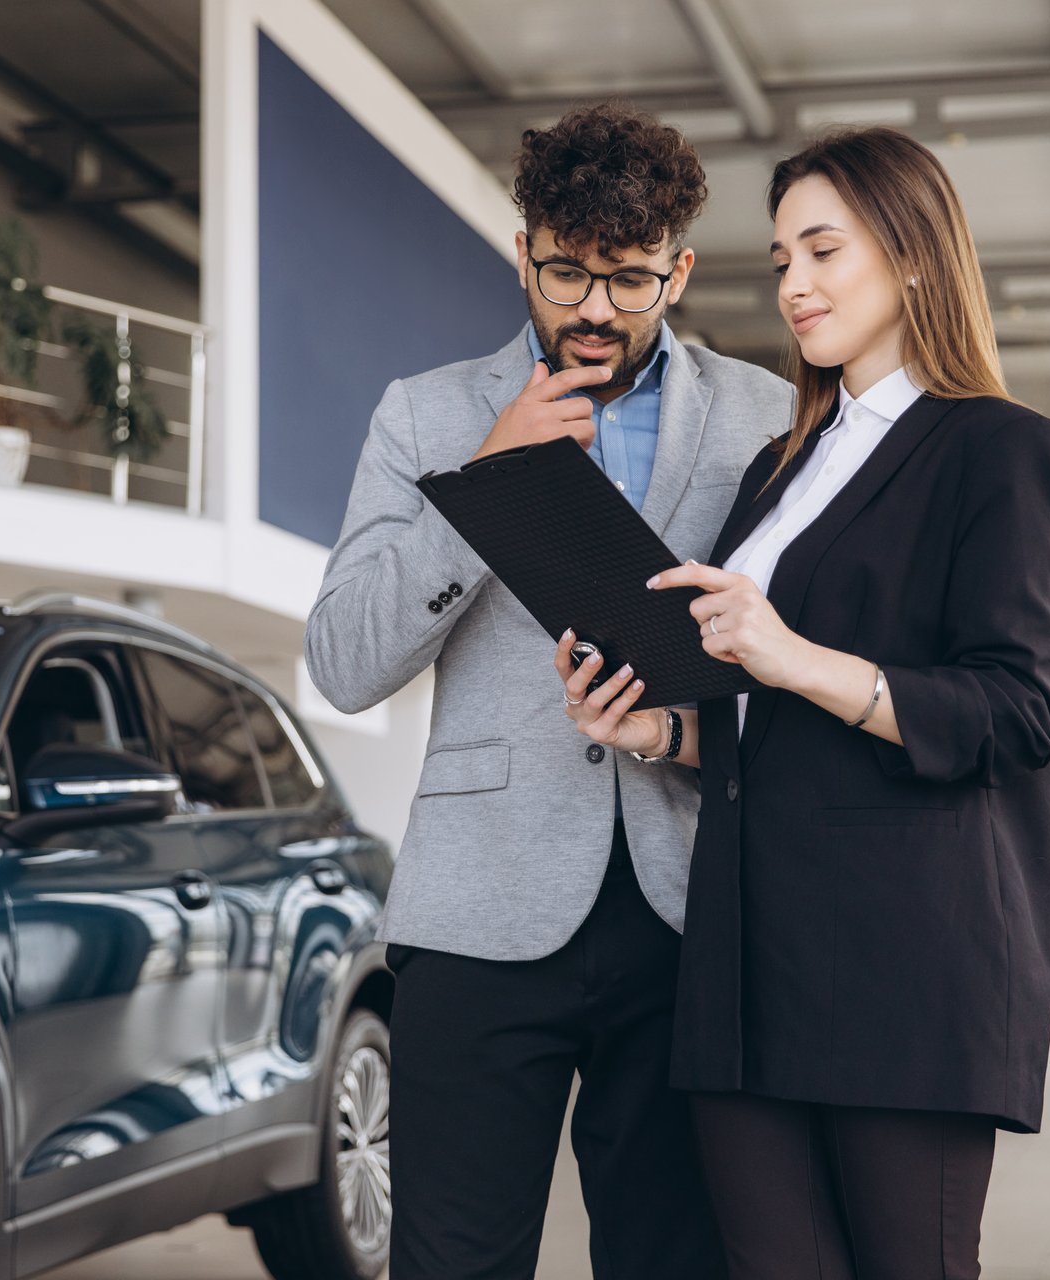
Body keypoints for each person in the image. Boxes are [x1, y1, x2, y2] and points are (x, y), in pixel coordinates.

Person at [556, 125, 1050, 1278]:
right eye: (780, 257)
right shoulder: (779, 470)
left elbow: (1014, 714)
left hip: (904, 969)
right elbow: (769, 723)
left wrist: (789, 653)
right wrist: (659, 728)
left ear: (911, 256)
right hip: (748, 966)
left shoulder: (1003, 451)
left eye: (822, 251)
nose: (792, 285)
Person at [305, 102, 791, 1279]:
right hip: (478, 908)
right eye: (566, 272)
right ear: (523, 252)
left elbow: (794, 668)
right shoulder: (425, 413)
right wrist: (489, 478)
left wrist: (682, 729)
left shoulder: (768, 417)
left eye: (628, 281)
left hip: (689, 907)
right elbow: (344, 659)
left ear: (676, 269)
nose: (592, 309)